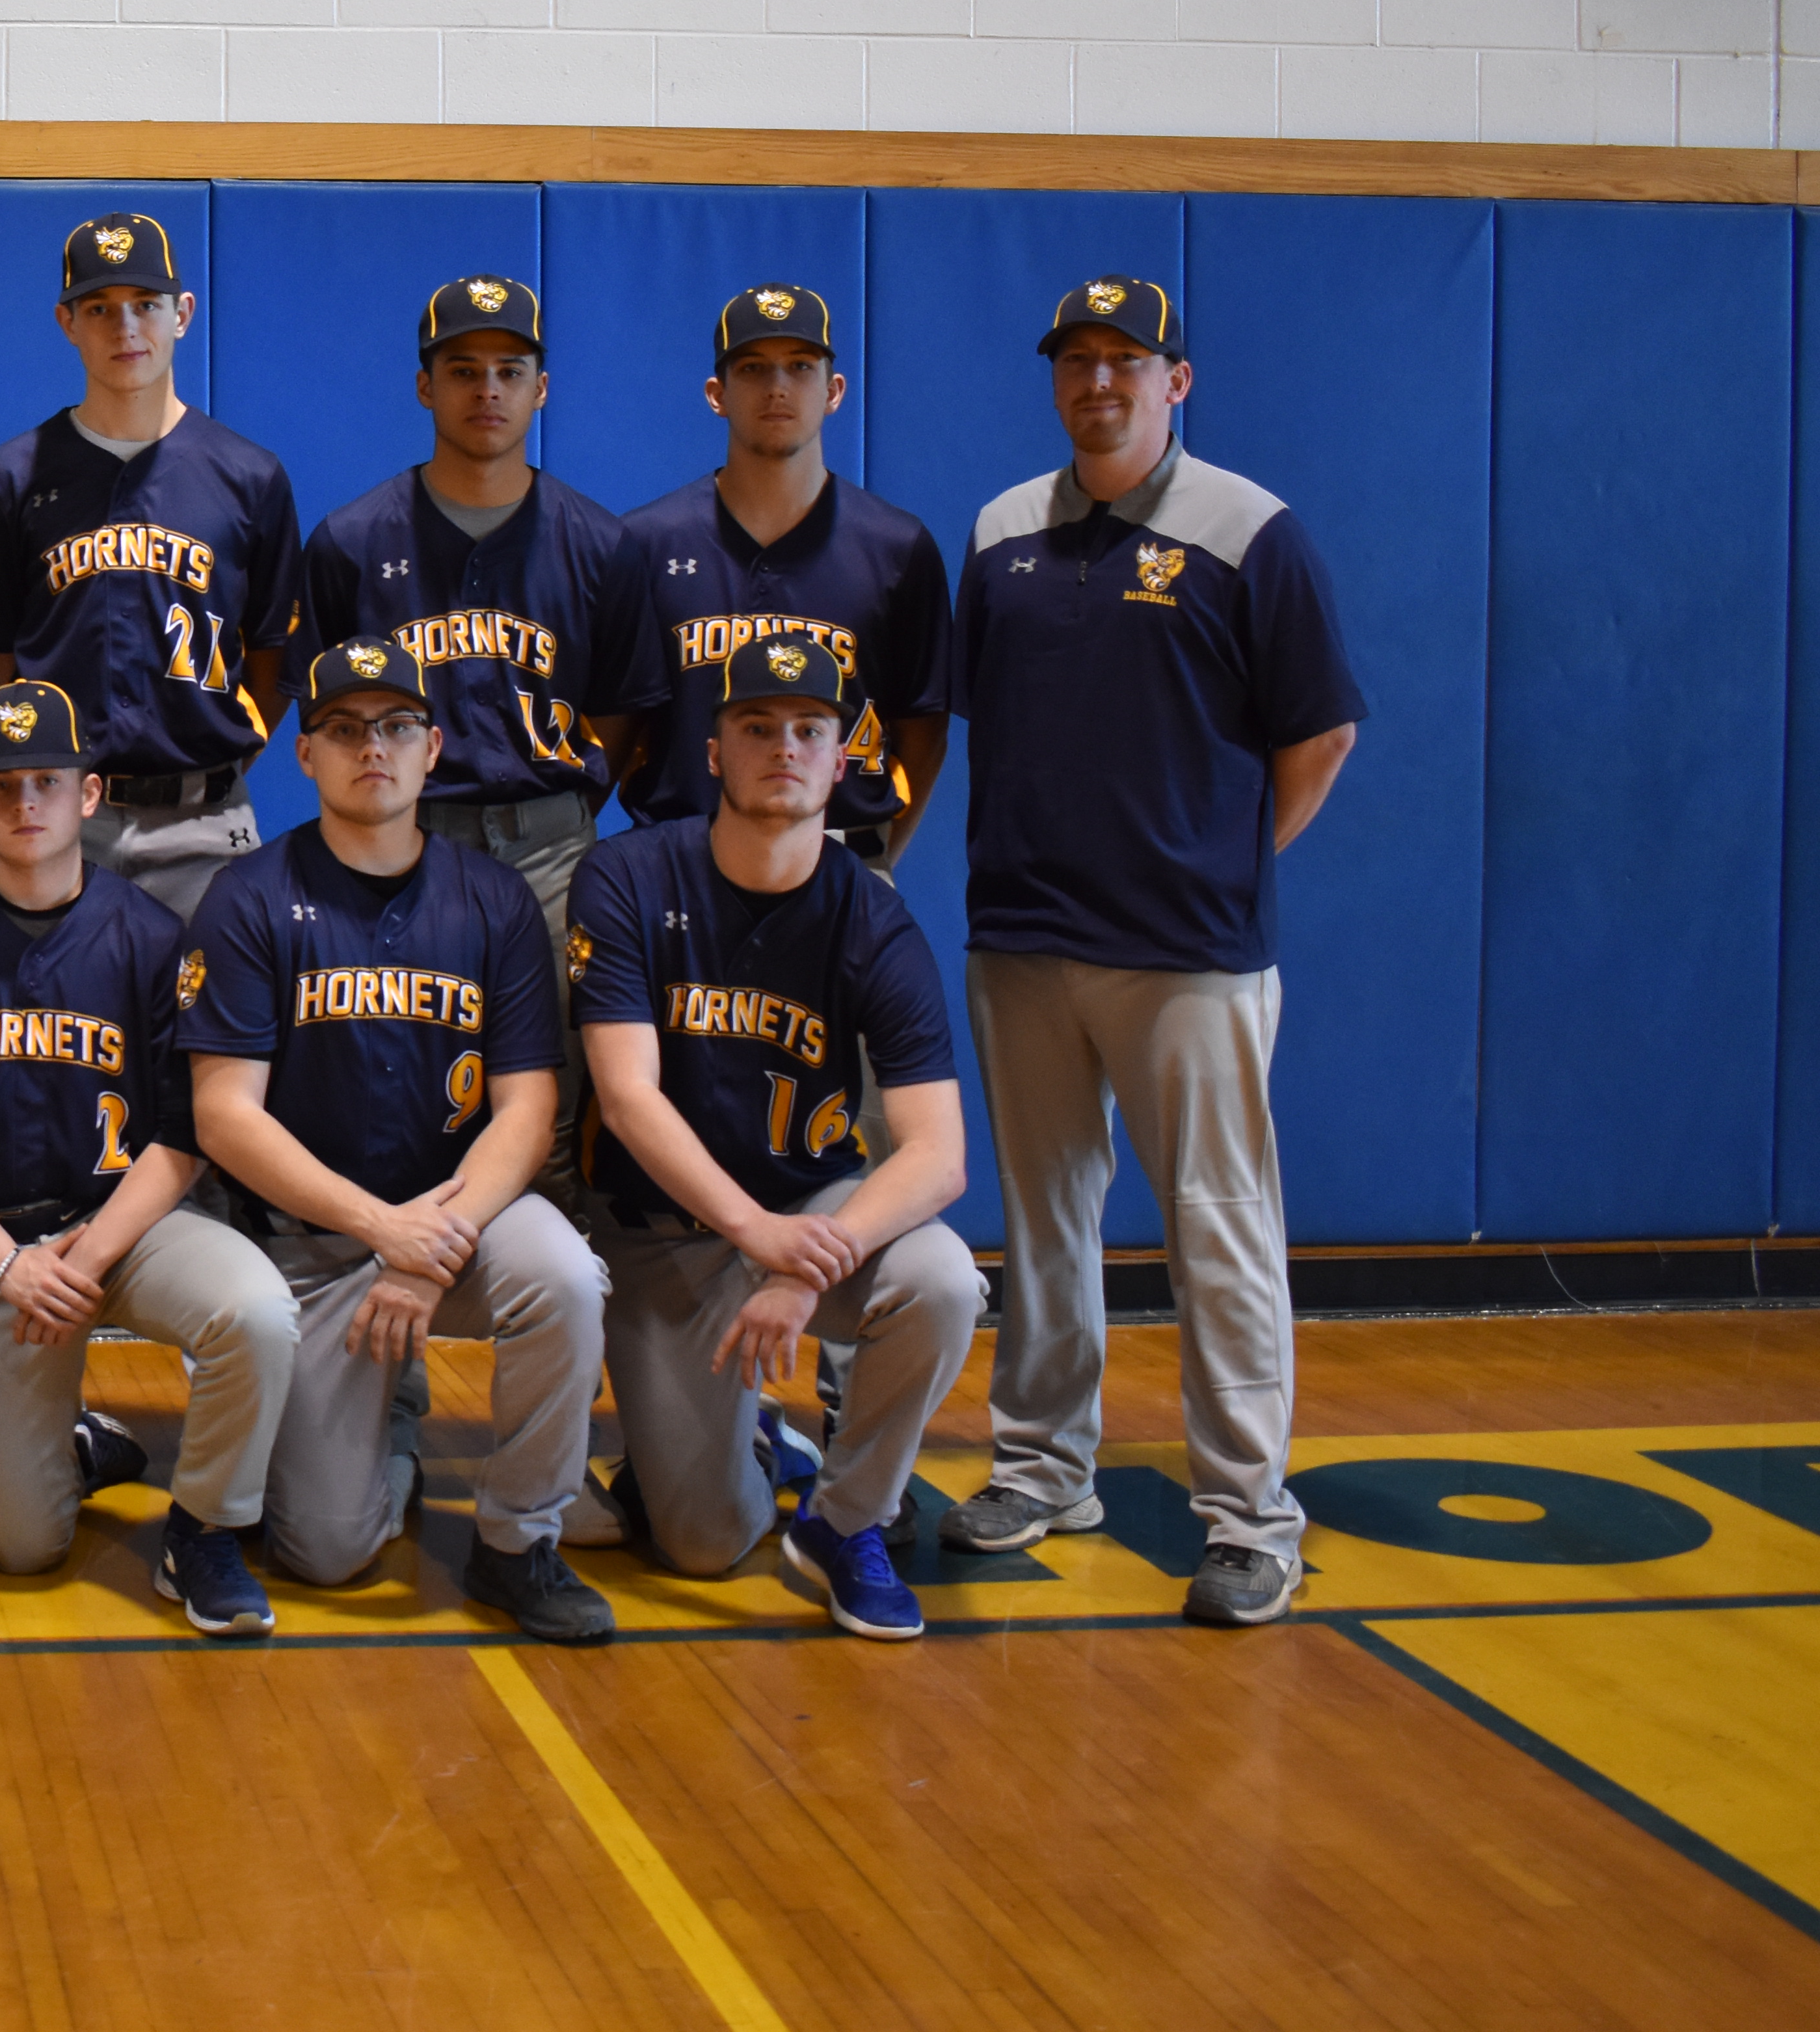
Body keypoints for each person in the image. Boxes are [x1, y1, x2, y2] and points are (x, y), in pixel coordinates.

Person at [937, 276, 1361, 1632]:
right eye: (1078, 360)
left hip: (1188, 954)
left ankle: (1249, 1516)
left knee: (1218, 1228)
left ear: (1177, 380)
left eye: (1128, 360)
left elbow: (1320, 734)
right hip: (1024, 937)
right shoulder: (1002, 529)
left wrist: (1218, 864)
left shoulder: (1251, 531)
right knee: (1045, 1221)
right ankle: (1043, 1469)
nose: (1100, 382)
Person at [180, 638, 612, 1644]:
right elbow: (223, 1115)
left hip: (460, 1227)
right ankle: (389, 1440)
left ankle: (519, 1541)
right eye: (343, 729)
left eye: (396, 727)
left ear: (434, 748)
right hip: (316, 1247)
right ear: (305, 754)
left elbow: (527, 1110)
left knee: (565, 1275)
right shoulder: (249, 895)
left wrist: (431, 1245)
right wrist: (384, 1231)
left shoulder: (494, 899)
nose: (372, 748)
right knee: (329, 1554)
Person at [0, 680, 293, 1637]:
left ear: (89, 794)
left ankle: (204, 1530)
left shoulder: (154, 938)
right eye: (2, 786)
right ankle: (82, 1444)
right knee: (22, 1547)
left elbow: (184, 1132)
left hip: (128, 1233)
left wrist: (91, 1256)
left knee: (257, 1312)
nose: (27, 804)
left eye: (48, 782)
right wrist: (8, 1264)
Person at [569, 632, 978, 1640]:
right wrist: (755, 1234)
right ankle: (748, 1444)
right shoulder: (627, 877)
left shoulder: (873, 920)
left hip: (808, 1213)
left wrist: (798, 1266)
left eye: (809, 730)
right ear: (714, 754)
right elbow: (627, 1096)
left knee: (942, 1281)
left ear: (842, 763)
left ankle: (846, 1519)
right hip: (665, 1232)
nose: (784, 748)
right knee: (703, 1545)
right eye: (757, 727)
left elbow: (938, 1157)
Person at [296, 274, 663, 1181]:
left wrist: (555, 812)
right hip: (398, 848)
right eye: (463, 370)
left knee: (553, 1100)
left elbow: (622, 712)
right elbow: (325, 710)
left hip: (552, 852)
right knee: (391, 1082)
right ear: (426, 386)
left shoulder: (601, 544)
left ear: (543, 388)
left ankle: (555, 1261)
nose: (488, 390)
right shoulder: (351, 541)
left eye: (510, 370)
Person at [0, 212, 301, 921]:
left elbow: (272, 655)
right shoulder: (10, 477)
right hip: (59, 817)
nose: (126, 328)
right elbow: (5, 657)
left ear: (184, 314)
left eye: (146, 304)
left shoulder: (250, 476)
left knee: (219, 996)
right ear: (67, 322)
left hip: (206, 818)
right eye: (100, 309)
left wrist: (213, 756)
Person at [615, 284, 951, 863]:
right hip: (679, 861)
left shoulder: (898, 548)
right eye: (753, 368)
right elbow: (622, 728)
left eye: (800, 366)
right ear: (717, 394)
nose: (777, 387)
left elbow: (923, 733)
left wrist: (872, 860)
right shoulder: (647, 543)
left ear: (834, 391)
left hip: (841, 861)